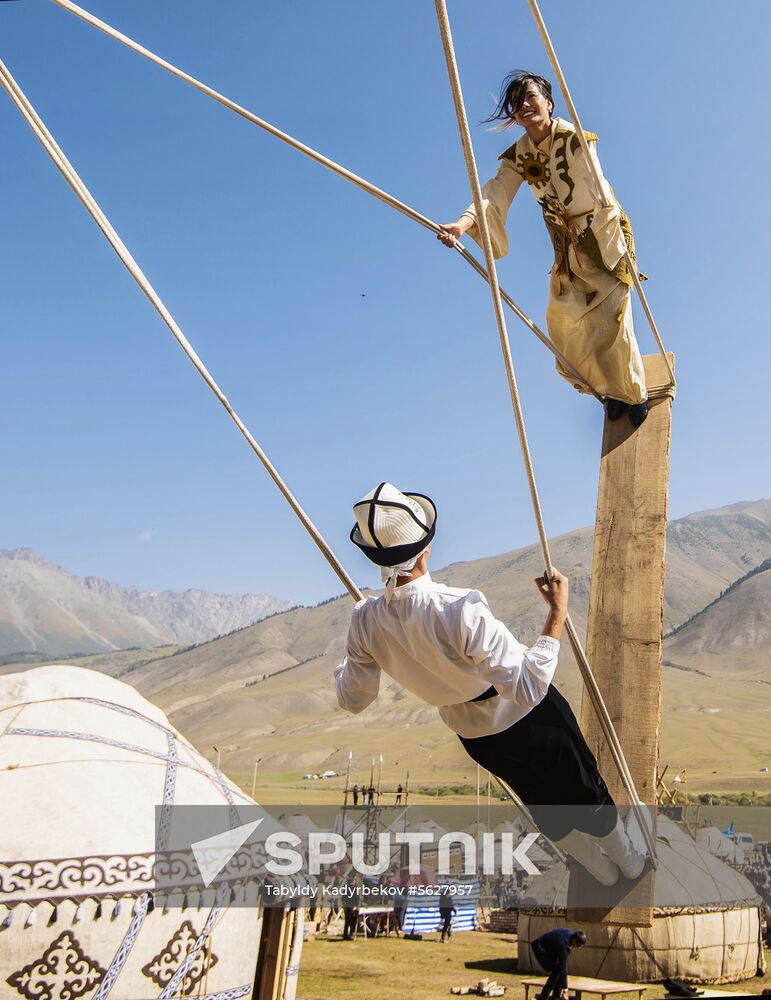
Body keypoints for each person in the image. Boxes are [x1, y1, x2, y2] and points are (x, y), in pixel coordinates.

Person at [335, 483, 647, 885]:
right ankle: (632, 865)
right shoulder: (458, 607)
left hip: (478, 738)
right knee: (585, 791)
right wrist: (557, 614)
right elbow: (528, 686)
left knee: (542, 804)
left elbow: (353, 698)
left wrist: (351, 663)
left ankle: (603, 874)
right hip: (528, 718)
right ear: (426, 548)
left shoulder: (364, 620)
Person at [438, 71, 649, 428]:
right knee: (564, 323)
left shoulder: (574, 138)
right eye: (517, 103)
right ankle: (609, 390)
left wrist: (606, 232)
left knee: (612, 320)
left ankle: (633, 394)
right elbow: (495, 193)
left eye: (530, 97)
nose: (524, 106)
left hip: (601, 236)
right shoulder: (519, 156)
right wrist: (463, 224)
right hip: (567, 248)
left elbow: (596, 184)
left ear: (548, 103)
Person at [531, 928, 587, 1000]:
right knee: (557, 972)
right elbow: (563, 968)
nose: (576, 947)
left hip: (549, 949)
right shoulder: (564, 946)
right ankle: (543, 998)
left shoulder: (569, 935)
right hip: (540, 949)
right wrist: (565, 990)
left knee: (558, 971)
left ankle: (555, 997)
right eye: (578, 945)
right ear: (574, 940)